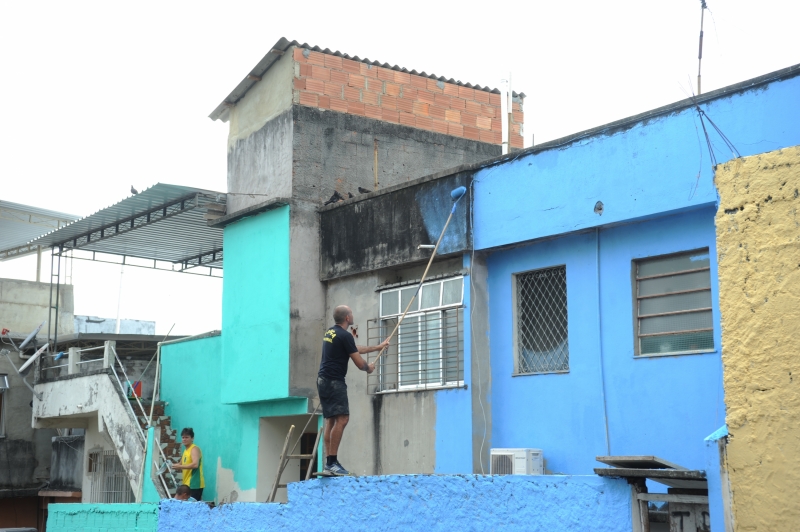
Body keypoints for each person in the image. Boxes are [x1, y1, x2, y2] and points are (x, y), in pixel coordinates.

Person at [317, 305, 389, 476]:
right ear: (347, 318)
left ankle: (329, 463)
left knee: (331, 420)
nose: (353, 315)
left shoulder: (331, 332)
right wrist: (368, 368)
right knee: (343, 419)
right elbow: (359, 363)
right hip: (334, 382)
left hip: (323, 380)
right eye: (351, 313)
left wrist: (377, 347)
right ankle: (332, 463)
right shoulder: (345, 335)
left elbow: (353, 349)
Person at [170, 428, 204, 500]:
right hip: (187, 483)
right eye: (183, 437)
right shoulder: (186, 450)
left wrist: (179, 466)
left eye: (187, 437)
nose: (184, 439)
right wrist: (171, 465)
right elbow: (180, 464)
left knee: (192, 505)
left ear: (192, 438)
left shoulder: (194, 449)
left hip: (194, 483)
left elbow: (195, 464)